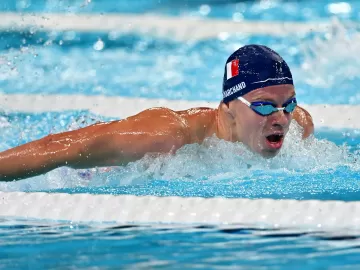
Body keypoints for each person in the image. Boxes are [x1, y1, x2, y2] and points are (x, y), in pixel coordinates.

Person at [0, 44, 314, 182]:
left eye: (288, 103)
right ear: (228, 109)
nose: (281, 118)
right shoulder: (165, 134)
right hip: (89, 172)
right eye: (263, 105)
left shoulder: (299, 126)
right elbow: (59, 149)